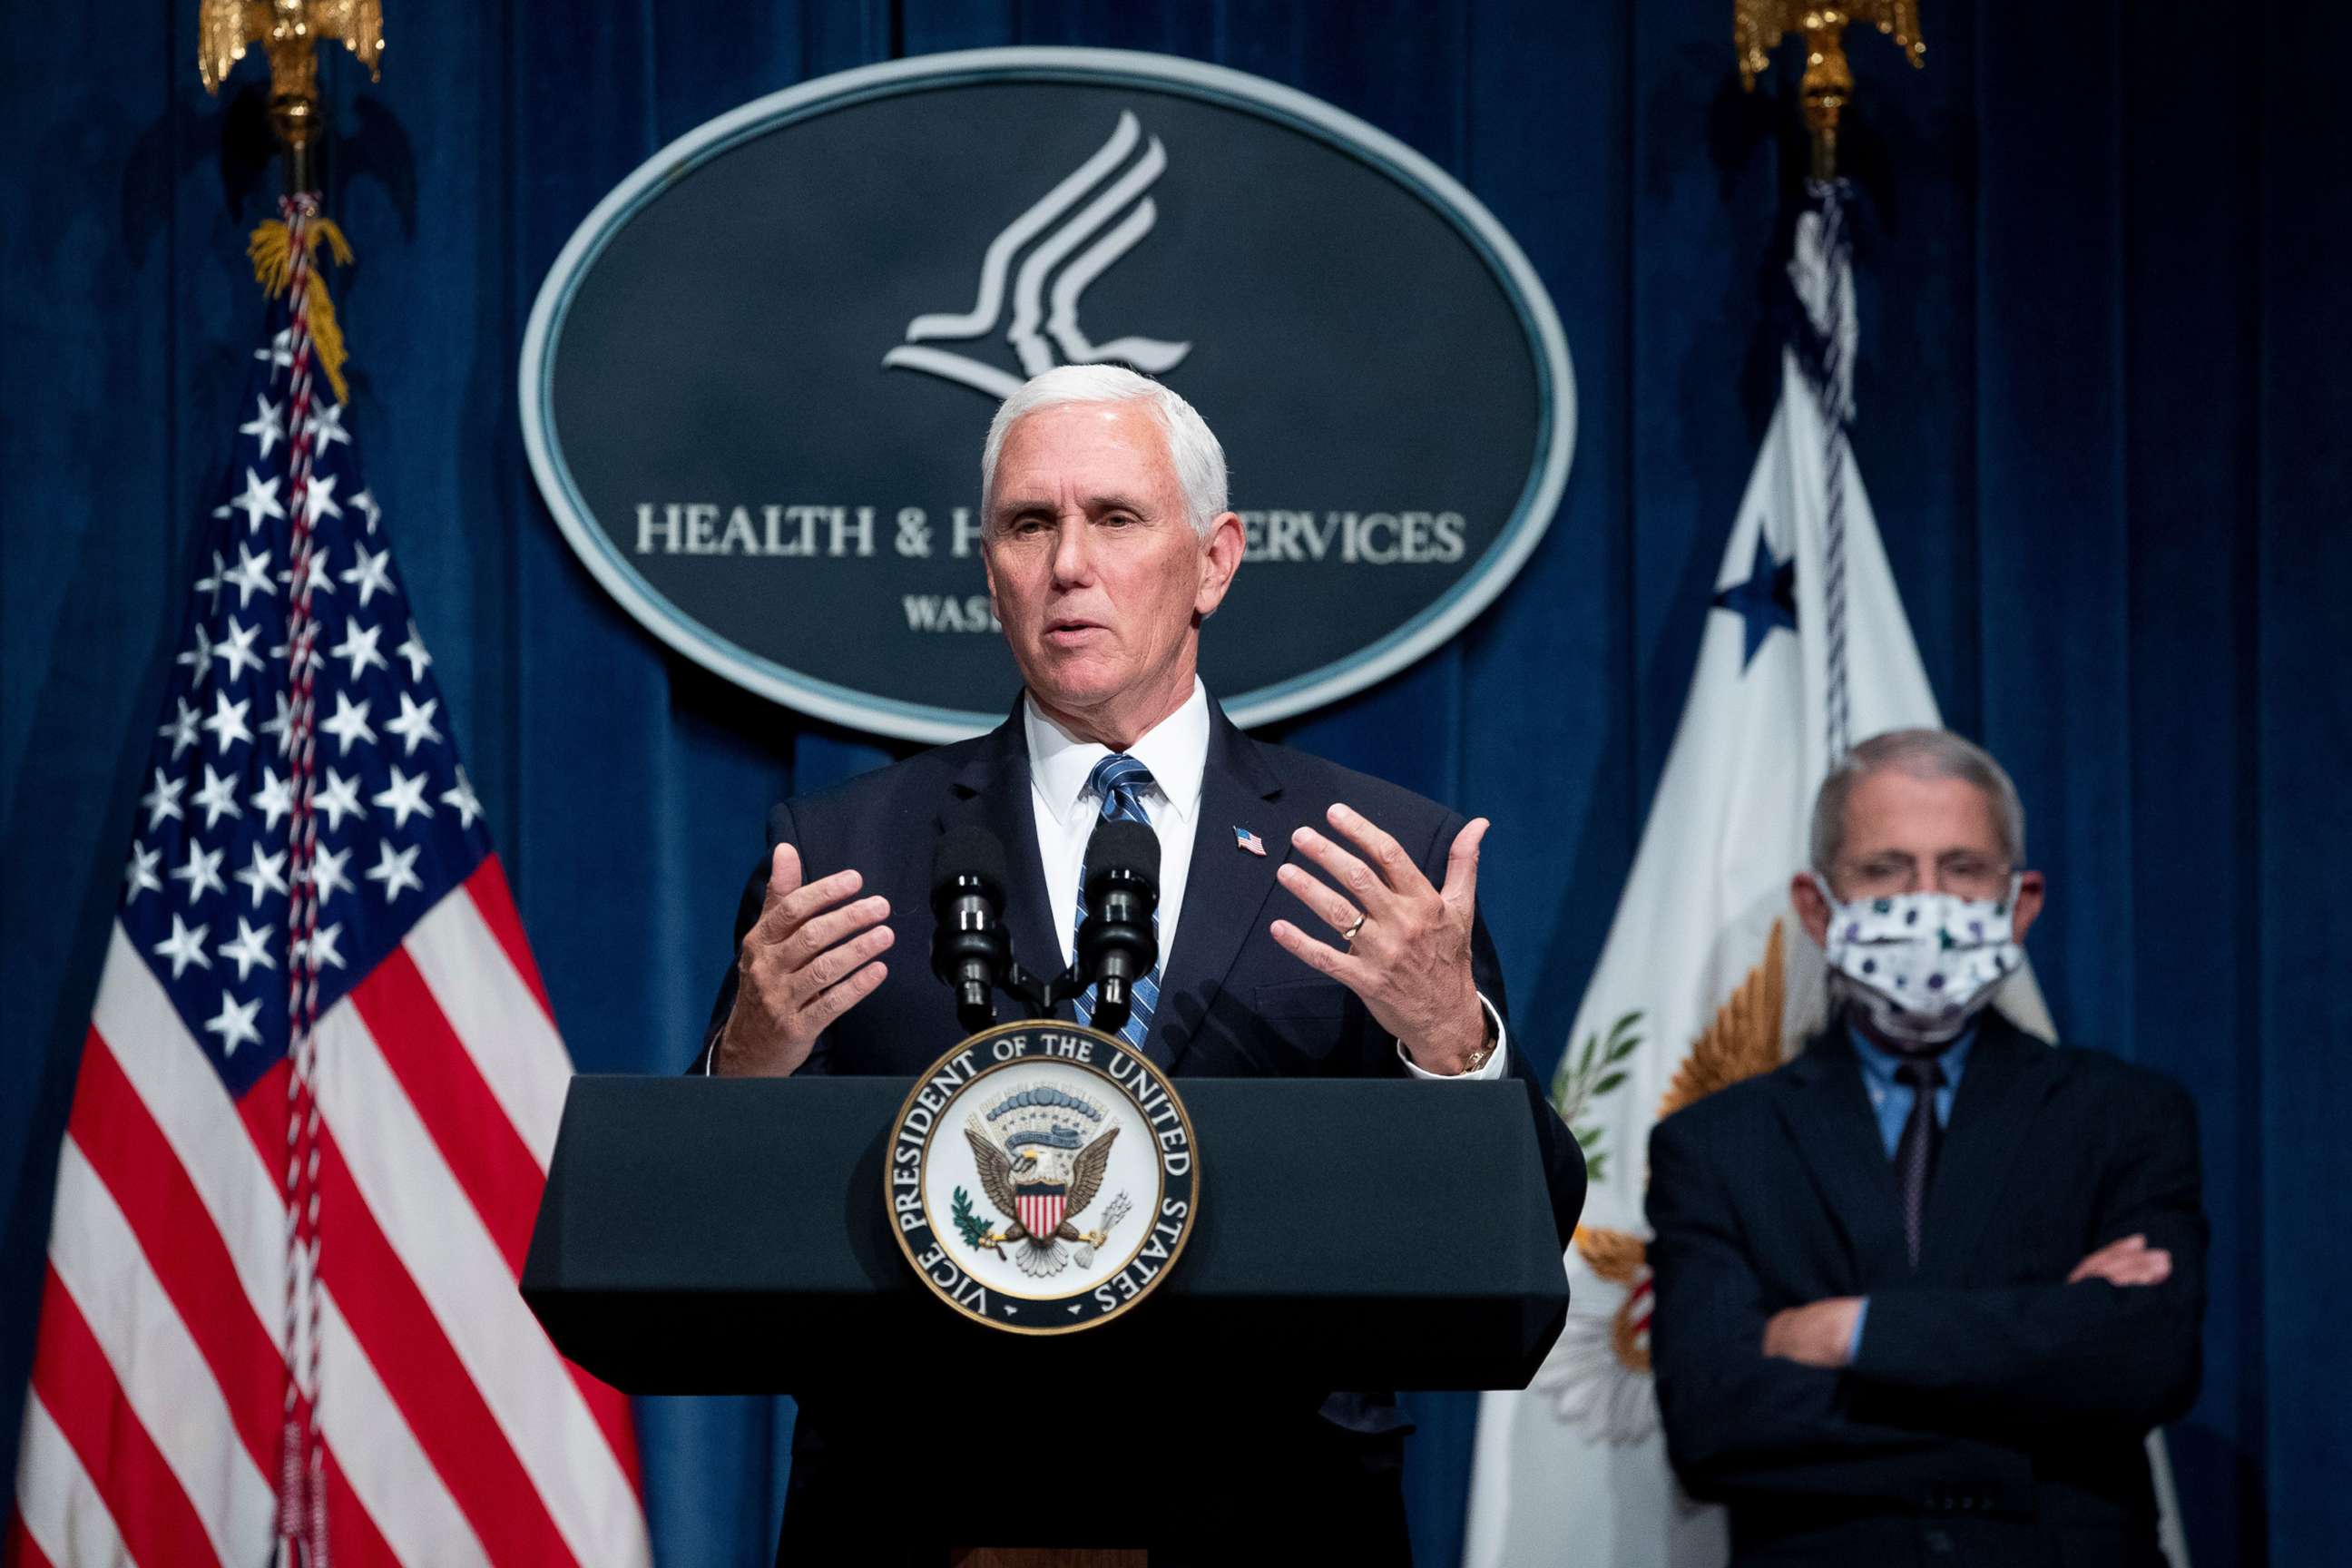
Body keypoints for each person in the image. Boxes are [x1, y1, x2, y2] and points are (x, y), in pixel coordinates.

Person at [693, 364, 1585, 1562]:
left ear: (1213, 560)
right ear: (989, 565)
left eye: (1115, 517)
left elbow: (1531, 1222)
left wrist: (1451, 1045)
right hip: (924, 1512)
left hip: (1274, 1516)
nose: (1069, 564)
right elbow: (703, 1220)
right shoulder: (845, 852)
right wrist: (746, 1063)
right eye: (1029, 523)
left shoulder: (1380, 858)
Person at [1646, 729, 2206, 1566]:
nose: (1927, 899)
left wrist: (1851, 1333)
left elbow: (2145, 1366)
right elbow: (1713, 1426)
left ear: (2019, 903)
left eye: (1963, 868)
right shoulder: (1717, 1144)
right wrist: (2041, 1351)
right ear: (1816, 907)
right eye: (1885, 870)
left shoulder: (2127, 1116)